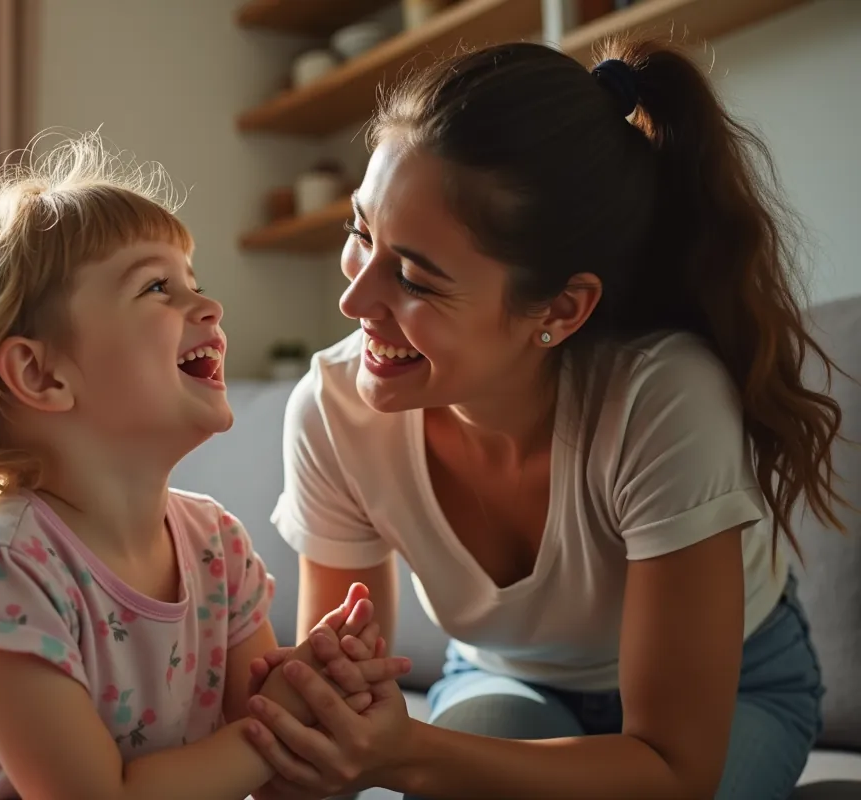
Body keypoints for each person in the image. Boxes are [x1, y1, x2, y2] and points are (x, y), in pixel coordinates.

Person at [241, 37, 846, 800]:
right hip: (505, 678)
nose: (353, 302)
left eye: (417, 279)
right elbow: (337, 699)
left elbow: (673, 767)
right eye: (361, 235)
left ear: (560, 309)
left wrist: (400, 758)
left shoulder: (661, 402)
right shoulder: (332, 411)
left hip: (733, 696)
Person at [0, 133, 412, 800]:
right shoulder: (1, 567)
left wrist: (319, 694)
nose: (208, 306)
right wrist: (281, 723)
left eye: (194, 283)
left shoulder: (219, 551)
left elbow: (267, 775)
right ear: (40, 373)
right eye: (157, 287)